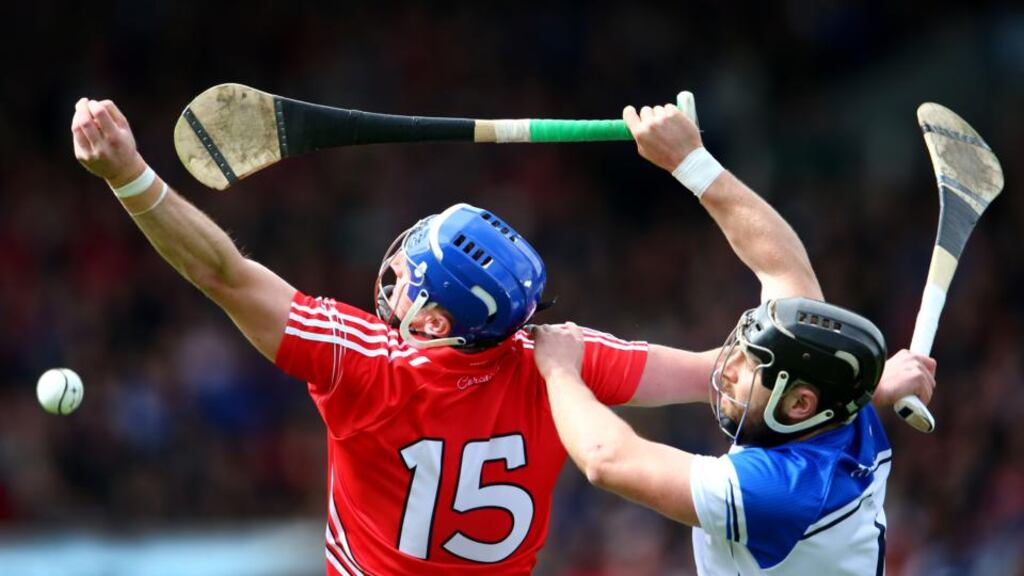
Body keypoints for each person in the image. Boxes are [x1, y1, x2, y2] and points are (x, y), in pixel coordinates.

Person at [70, 96, 933, 575]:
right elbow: (730, 365)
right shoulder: (564, 357)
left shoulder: (360, 361)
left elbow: (221, 270)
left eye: (415, 275)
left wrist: (129, 177)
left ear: (438, 321)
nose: (398, 272)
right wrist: (863, 389)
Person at [530, 104, 938, 575]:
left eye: (750, 366)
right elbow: (781, 264)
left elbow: (608, 460)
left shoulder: (778, 490)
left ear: (800, 403)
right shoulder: (838, 408)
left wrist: (558, 371)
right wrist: (692, 162)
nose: (727, 368)